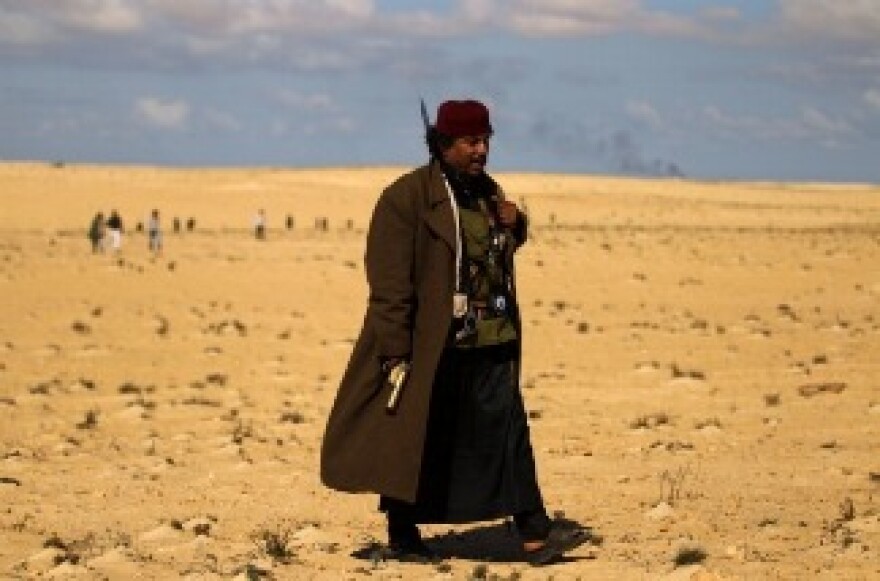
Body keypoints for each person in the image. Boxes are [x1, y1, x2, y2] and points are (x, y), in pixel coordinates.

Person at [321, 99, 589, 566]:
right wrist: (394, 347)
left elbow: (492, 249)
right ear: (443, 144)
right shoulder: (404, 198)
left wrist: (518, 225)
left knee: (509, 430)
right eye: (470, 142)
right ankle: (402, 531)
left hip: (491, 339)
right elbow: (388, 281)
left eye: (486, 140)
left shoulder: (488, 192)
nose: (481, 150)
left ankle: (533, 532)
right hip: (431, 344)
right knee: (419, 434)